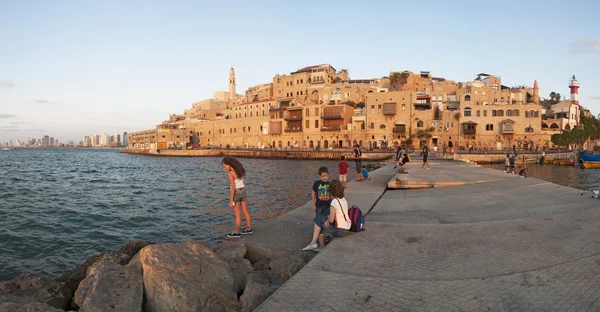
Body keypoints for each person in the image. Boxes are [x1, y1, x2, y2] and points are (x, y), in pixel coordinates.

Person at [302, 180, 351, 251]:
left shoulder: (334, 202)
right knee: (321, 220)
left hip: (339, 231)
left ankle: (314, 243)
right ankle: (319, 245)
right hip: (346, 228)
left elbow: (331, 220)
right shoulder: (343, 199)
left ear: (331, 191)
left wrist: (327, 220)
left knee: (318, 219)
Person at [222, 156, 252, 238]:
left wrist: (231, 200)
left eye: (224, 166)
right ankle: (249, 228)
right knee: (245, 211)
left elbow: (233, 188)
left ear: (229, 165)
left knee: (238, 214)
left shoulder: (230, 174)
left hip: (236, 192)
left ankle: (237, 232)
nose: (224, 168)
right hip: (243, 190)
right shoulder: (240, 170)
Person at [304, 166, 332, 250]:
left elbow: (331, 195)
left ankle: (320, 243)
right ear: (320, 176)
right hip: (319, 206)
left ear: (328, 175)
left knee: (324, 223)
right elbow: (313, 194)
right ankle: (320, 243)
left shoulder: (329, 184)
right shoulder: (317, 183)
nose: (324, 178)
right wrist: (313, 204)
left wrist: (332, 203)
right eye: (323, 176)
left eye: (326, 175)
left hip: (327, 206)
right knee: (318, 222)